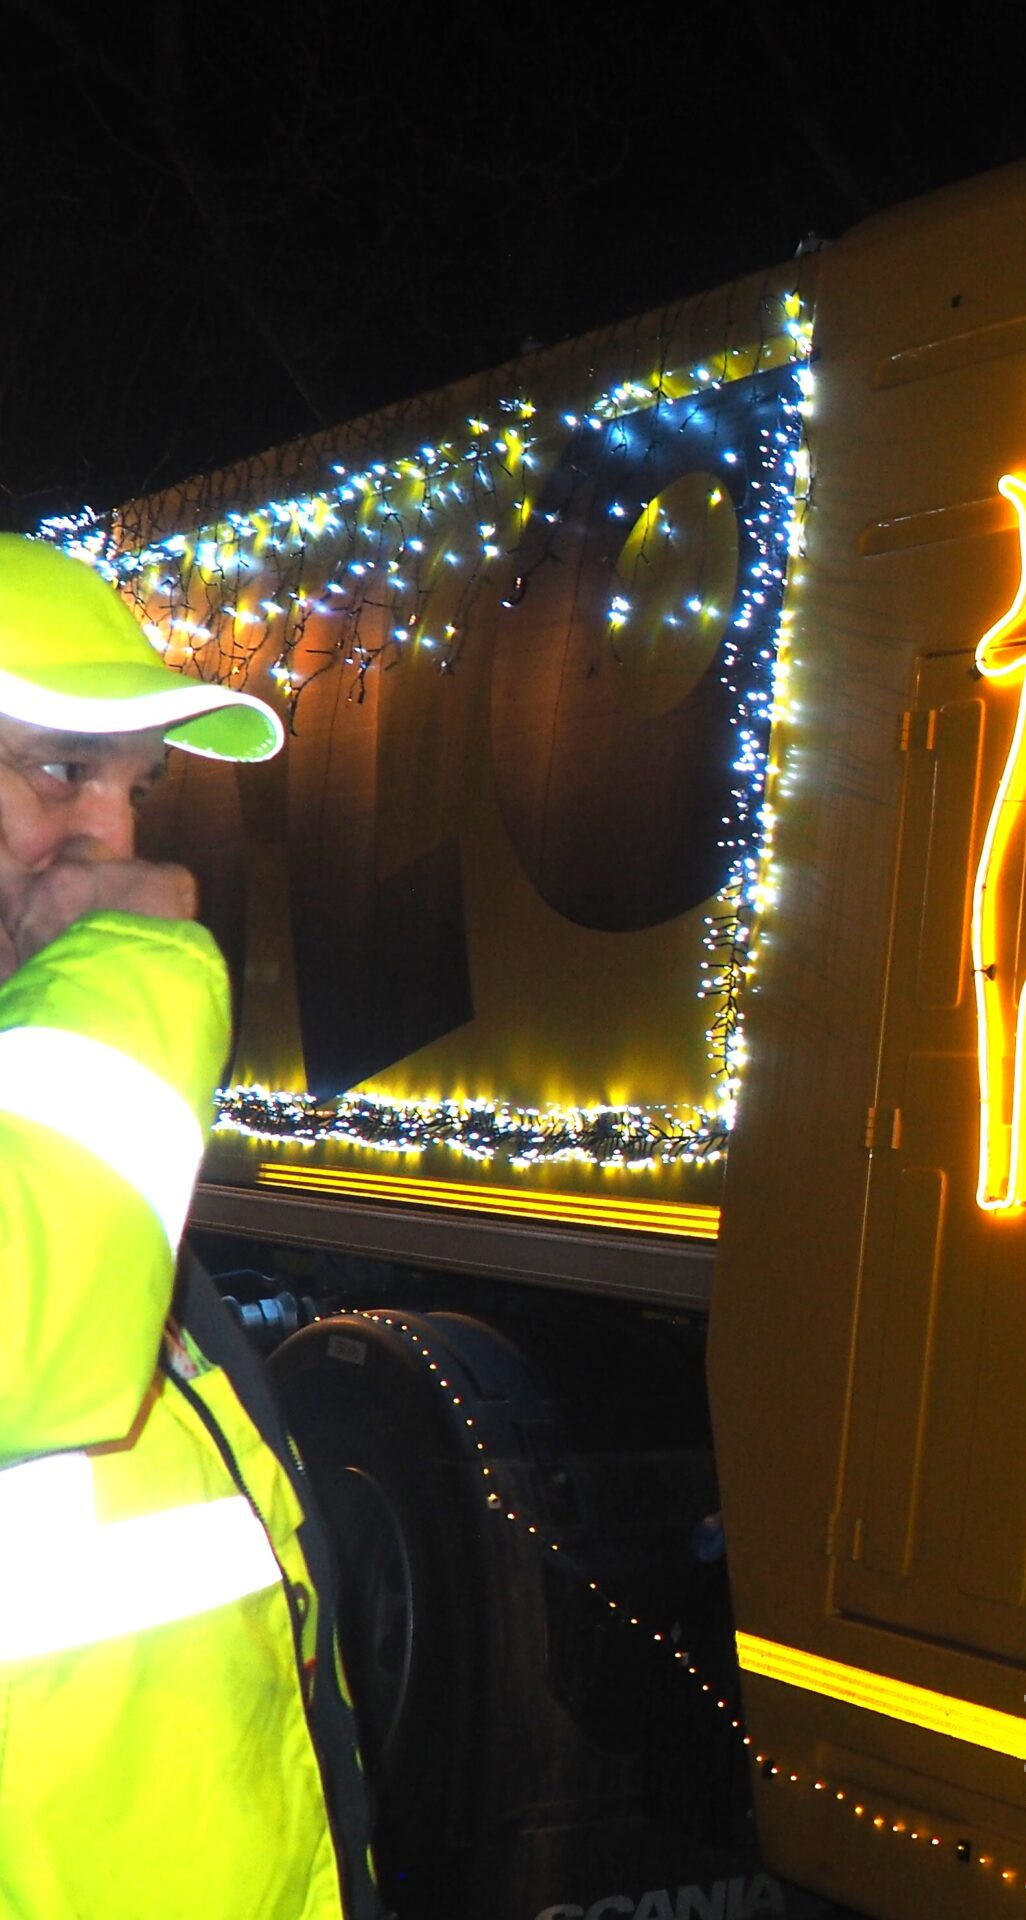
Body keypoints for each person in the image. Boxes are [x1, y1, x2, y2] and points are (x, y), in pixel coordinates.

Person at [0, 532, 378, 1918]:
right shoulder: (96, 1044)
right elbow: (29, 1341)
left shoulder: (35, 1103)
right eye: (59, 768)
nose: (110, 837)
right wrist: (128, 973)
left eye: (134, 785)